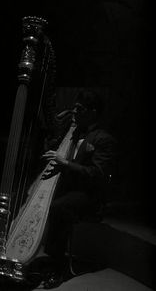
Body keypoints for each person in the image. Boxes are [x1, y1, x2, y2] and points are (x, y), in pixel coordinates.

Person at [40, 89, 116, 288]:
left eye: (79, 109)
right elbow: (53, 149)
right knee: (37, 196)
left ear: (93, 112)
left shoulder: (103, 139)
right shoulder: (73, 133)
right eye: (74, 107)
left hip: (89, 196)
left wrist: (65, 164)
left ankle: (58, 266)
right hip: (70, 189)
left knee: (59, 206)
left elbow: (96, 174)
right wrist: (52, 131)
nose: (74, 112)